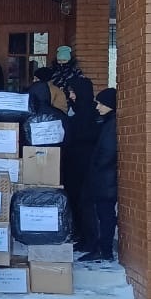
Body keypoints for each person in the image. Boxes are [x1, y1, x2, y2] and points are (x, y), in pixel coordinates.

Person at [63, 75, 100, 252]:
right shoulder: (76, 110)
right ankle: (81, 235)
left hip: (85, 166)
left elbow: (87, 137)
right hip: (74, 165)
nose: (71, 96)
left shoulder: (91, 112)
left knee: (85, 203)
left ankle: (90, 240)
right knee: (76, 201)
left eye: (73, 92)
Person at [82, 88, 118, 263]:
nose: (97, 107)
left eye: (101, 103)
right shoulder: (108, 122)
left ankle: (103, 249)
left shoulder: (111, 125)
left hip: (105, 180)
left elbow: (107, 153)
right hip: (105, 178)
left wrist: (95, 168)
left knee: (104, 215)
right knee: (104, 214)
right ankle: (103, 249)